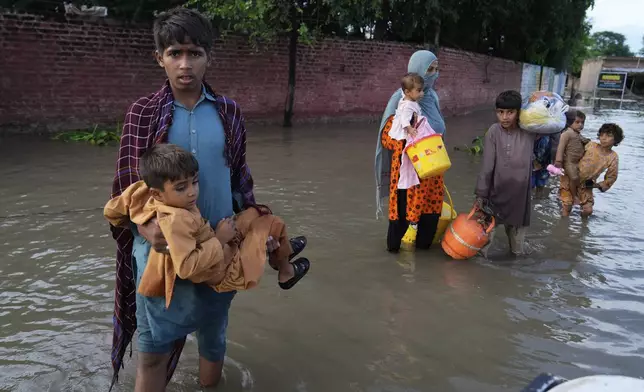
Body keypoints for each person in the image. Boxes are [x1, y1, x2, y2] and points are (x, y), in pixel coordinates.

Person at [106, 8, 307, 392]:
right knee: (152, 352)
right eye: (174, 53)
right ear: (159, 58)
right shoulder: (142, 114)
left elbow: (239, 181)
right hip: (162, 257)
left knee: (214, 341)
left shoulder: (229, 112)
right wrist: (146, 231)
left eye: (194, 53)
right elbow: (126, 191)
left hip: (221, 246)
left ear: (209, 57)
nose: (185, 64)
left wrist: (251, 231)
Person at [104, 144, 310, 307]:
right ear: (157, 193)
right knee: (272, 222)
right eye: (181, 188)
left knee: (256, 212)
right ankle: (285, 270)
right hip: (224, 271)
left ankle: (282, 252)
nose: (192, 192)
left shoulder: (153, 197)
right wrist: (220, 239)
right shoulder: (175, 220)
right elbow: (186, 269)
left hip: (218, 244)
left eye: (194, 182)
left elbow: (113, 208)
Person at [375, 50, 447, 252]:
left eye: (436, 69)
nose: (435, 73)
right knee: (402, 214)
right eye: (430, 69)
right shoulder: (401, 101)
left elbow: (439, 130)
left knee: (431, 213)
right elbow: (386, 137)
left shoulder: (431, 97)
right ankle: (392, 254)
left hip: (433, 169)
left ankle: (423, 256)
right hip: (408, 170)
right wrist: (410, 140)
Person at [475, 90, 535, 257]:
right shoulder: (494, 131)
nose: (505, 117)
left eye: (510, 112)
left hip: (519, 194)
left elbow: (554, 126)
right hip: (496, 191)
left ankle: (515, 272)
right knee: (484, 241)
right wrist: (481, 195)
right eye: (500, 112)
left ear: (519, 113)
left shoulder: (529, 131)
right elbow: (487, 165)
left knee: (517, 247)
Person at [389, 72, 437, 190]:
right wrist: (410, 129)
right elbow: (405, 120)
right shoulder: (408, 105)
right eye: (419, 91)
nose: (422, 93)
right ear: (407, 92)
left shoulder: (408, 100)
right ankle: (412, 181)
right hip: (404, 135)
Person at [574, 123, 622, 218]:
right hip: (572, 178)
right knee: (566, 204)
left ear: (615, 140)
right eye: (602, 135)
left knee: (588, 210)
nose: (604, 138)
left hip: (586, 185)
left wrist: (597, 185)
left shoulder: (613, 157)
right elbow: (575, 153)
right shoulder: (590, 145)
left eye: (609, 136)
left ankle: (582, 228)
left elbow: (612, 177)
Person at [554, 110, 588, 216]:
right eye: (577, 122)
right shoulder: (566, 133)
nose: (580, 125)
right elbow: (560, 147)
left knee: (577, 178)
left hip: (577, 162)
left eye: (582, 122)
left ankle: (573, 194)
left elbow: (584, 142)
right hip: (569, 162)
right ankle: (574, 197)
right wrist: (558, 161)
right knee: (573, 178)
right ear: (569, 122)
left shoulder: (578, 134)